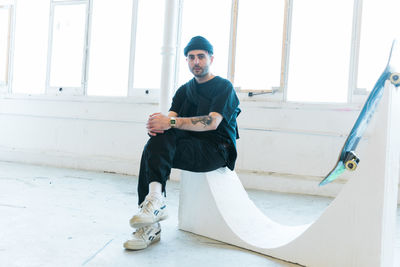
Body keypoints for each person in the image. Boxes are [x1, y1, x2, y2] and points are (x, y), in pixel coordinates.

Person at [123, 36, 241, 250]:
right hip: (190, 147)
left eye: (201, 57)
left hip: (216, 151)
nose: (196, 62)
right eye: (191, 57)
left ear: (211, 58)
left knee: (162, 137)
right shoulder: (184, 91)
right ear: (186, 60)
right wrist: (157, 125)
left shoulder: (223, 87)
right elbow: (169, 123)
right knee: (155, 143)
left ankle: (154, 209)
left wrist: (170, 122)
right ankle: (153, 211)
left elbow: (212, 122)